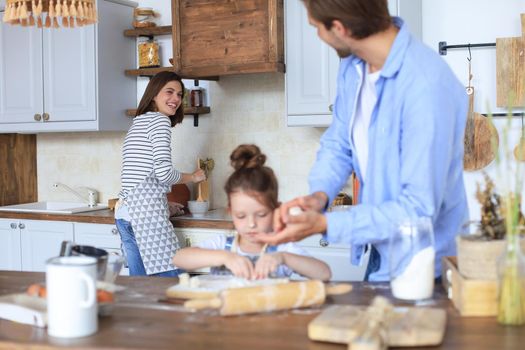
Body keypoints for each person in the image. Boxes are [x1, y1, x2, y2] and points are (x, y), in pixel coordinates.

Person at [255, 0, 469, 281]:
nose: (318, 35)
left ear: (340, 28)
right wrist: (319, 196)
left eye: (317, 27)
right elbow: (338, 142)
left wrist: (324, 224)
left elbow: (418, 208)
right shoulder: (354, 68)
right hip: (380, 251)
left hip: (427, 265)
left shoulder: (425, 87)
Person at [173, 144, 331, 281]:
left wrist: (284, 258)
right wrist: (224, 257)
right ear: (231, 212)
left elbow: (324, 273)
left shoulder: (282, 248)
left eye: (261, 215)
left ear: (276, 209)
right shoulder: (223, 245)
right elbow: (179, 259)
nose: (251, 224)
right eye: (241, 216)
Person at [115, 71, 206, 277]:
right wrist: (193, 177)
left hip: (125, 213)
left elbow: (143, 175)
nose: (175, 99)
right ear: (154, 94)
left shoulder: (139, 122)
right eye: (169, 92)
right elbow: (164, 173)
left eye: (179, 94)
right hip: (145, 216)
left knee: (141, 289)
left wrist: (164, 205)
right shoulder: (160, 122)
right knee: (172, 284)